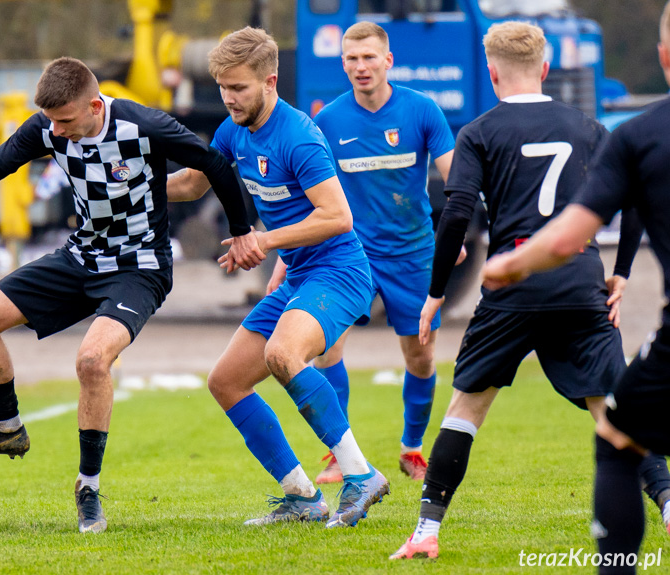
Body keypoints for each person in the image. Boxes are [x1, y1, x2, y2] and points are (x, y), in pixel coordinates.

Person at [0, 57, 263, 534]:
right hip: (80, 258)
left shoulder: (146, 125)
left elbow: (215, 165)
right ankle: (6, 430)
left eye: (65, 121)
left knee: (93, 361)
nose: (55, 131)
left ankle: (88, 488)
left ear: (95, 106)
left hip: (139, 267)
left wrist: (242, 231)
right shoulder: (47, 129)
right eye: (50, 121)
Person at [389, 21, 670, 560]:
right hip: (579, 279)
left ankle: (426, 531)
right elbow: (632, 205)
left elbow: (456, 214)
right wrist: (623, 272)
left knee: (466, 407)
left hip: (512, 285)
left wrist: (435, 292)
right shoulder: (589, 128)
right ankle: (667, 504)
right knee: (615, 416)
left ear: (492, 73)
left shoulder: (478, 131)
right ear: (545, 69)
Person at [167, 27, 390, 528]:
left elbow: (337, 217)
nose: (229, 98)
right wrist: (131, 188)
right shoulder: (232, 130)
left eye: (240, 88)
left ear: (270, 82)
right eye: (223, 87)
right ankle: (302, 498)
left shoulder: (298, 137)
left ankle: (361, 475)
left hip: (341, 271)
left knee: (283, 355)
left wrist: (264, 243)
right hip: (300, 273)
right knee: (225, 381)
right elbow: (192, 184)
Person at [483, 4, 670, 572]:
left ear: (664, 56)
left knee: (616, 436)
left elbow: (568, 237)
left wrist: (510, 266)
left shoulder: (640, 136)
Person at [274, 21, 457, 483]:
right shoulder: (329, 121)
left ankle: (412, 447)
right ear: (343, 64)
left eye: (369, 57)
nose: (361, 67)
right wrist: (284, 257)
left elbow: (457, 183)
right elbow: (307, 196)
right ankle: (341, 453)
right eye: (352, 59)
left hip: (413, 253)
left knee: (420, 354)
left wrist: (454, 236)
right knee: (328, 345)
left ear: (388, 61)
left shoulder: (422, 111)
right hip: (349, 254)